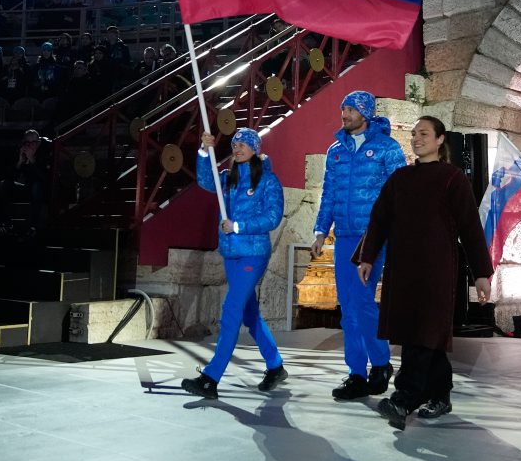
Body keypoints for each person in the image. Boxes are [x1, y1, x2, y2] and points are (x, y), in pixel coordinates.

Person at [352, 116, 492, 430]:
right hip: (403, 269)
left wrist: (481, 273)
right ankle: (440, 394)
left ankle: (404, 398)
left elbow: (470, 226)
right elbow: (379, 219)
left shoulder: (452, 178)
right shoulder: (400, 178)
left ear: (441, 140)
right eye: (414, 134)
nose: (416, 139)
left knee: (425, 331)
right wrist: (367, 256)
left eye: (424, 133)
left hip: (437, 270)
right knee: (423, 334)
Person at [311, 91, 407, 400]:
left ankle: (379, 363)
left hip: (373, 236)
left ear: (365, 112)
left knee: (362, 300)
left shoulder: (387, 149)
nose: (345, 114)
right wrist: (320, 231)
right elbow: (329, 194)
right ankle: (356, 372)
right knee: (348, 306)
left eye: (350, 109)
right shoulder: (335, 151)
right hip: (345, 238)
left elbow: (400, 193)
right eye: (343, 109)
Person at [181, 128, 288, 400]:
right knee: (249, 315)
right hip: (231, 254)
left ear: (255, 148)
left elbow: (273, 217)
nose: (237, 147)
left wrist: (238, 226)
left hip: (253, 254)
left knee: (231, 309)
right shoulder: (228, 179)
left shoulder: (268, 180)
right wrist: (205, 151)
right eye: (234, 143)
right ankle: (275, 366)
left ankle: (211, 377)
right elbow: (206, 180)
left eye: (243, 143)